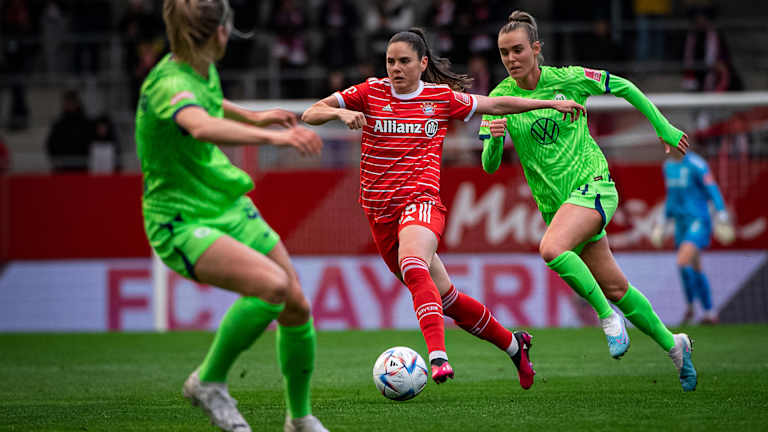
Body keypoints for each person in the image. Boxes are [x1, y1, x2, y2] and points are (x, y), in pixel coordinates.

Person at [302, 27, 586, 388]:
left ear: (422, 64)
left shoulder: (439, 98)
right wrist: (339, 114)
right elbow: (310, 113)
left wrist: (551, 102)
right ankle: (516, 345)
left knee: (413, 263)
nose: (396, 68)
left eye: (404, 61)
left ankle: (437, 357)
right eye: (391, 61)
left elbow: (496, 104)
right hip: (379, 214)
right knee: (446, 298)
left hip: (421, 203)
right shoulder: (370, 92)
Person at [479, 10, 698, 392]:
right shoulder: (498, 99)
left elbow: (625, 87)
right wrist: (495, 138)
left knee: (551, 248)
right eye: (503, 53)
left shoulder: (569, 79)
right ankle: (674, 345)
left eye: (517, 50)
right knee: (615, 286)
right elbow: (489, 166)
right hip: (559, 206)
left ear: (536, 48)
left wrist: (662, 126)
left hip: (594, 185)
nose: (511, 59)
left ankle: (607, 318)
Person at [136, 1, 328, 431]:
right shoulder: (169, 82)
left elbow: (211, 104)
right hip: (179, 218)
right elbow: (200, 124)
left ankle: (299, 419)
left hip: (224, 200)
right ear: (220, 33)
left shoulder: (197, 66)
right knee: (273, 287)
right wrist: (270, 138)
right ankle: (209, 381)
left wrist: (254, 114)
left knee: (296, 305)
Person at [651, 149, 733, 325]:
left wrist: (722, 213)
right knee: (695, 267)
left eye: (668, 143)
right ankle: (709, 312)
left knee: (682, 262)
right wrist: (663, 221)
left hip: (698, 220)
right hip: (680, 223)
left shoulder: (698, 164)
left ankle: (691, 307)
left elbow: (713, 190)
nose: (666, 148)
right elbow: (671, 197)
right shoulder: (668, 166)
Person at [46, 89, 92, 172]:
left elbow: (90, 143)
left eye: (72, 102)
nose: (70, 105)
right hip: (62, 168)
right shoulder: (59, 124)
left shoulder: (85, 123)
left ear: (77, 103)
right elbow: (51, 144)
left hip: (82, 168)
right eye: (68, 102)